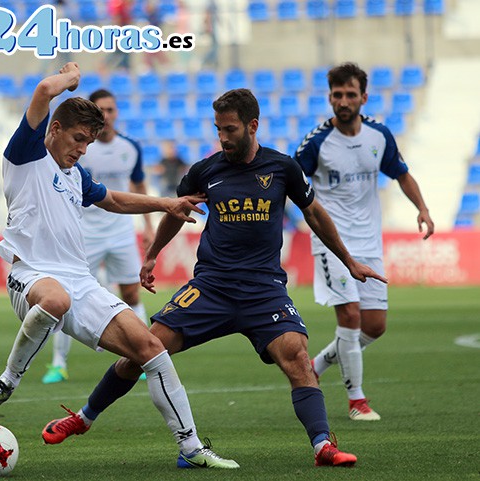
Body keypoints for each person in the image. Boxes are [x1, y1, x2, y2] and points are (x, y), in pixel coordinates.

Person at [39, 88, 388, 467]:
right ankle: (83, 417)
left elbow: (315, 214)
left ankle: (322, 446)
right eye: (219, 129)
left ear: (252, 126)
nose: (223, 137)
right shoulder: (206, 171)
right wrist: (153, 254)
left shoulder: (283, 168)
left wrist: (349, 261)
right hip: (212, 288)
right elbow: (177, 212)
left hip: (264, 290)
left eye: (231, 129)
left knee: (298, 358)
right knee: (144, 348)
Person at [0, 63, 238, 469]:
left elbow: (113, 199)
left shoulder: (75, 175)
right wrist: (70, 79)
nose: (82, 148)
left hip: (81, 282)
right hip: (30, 276)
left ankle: (191, 447)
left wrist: (167, 203)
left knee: (151, 348)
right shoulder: (26, 156)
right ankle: (7, 381)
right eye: (78, 138)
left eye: (89, 142)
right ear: (55, 129)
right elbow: (43, 90)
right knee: (55, 299)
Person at [294, 62, 434, 421]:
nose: (343, 101)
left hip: (369, 241)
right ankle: (357, 401)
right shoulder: (316, 142)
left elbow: (401, 174)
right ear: (330, 98)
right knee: (351, 317)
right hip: (331, 241)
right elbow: (290, 182)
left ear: (363, 97)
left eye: (350, 94)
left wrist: (422, 208)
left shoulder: (379, 136)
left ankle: (316, 365)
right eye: (337, 95)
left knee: (374, 326)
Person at [42, 88, 154, 384]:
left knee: (131, 293)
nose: (107, 115)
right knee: (65, 298)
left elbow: (137, 187)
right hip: (84, 233)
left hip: (120, 231)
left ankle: (140, 357)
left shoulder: (130, 147)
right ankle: (58, 364)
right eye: (101, 110)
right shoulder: (75, 147)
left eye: (111, 109)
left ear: (117, 112)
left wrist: (149, 226)